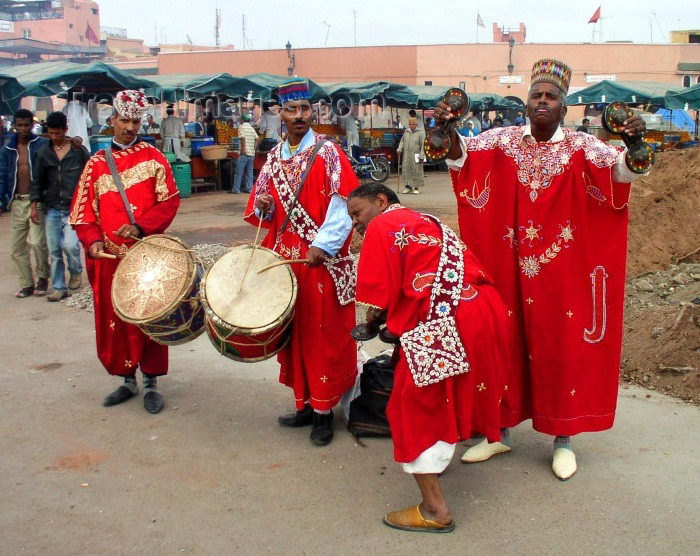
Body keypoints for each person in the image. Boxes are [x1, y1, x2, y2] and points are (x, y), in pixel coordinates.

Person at [435, 58, 649, 480]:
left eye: (552, 97)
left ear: (563, 106)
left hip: (563, 274)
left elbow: (622, 172)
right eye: (537, 95)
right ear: (526, 102)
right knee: (505, 341)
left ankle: (562, 438)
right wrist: (444, 132)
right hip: (507, 267)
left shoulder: (584, 147)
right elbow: (461, 160)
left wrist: (636, 146)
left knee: (560, 347)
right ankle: (500, 433)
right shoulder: (501, 141)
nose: (543, 102)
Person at [348, 183, 513, 533]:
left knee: (412, 407)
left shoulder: (382, 225)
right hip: (485, 311)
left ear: (381, 201)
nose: (355, 224)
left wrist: (375, 323)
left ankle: (435, 510)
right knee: (448, 393)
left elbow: (376, 296)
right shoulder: (428, 220)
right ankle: (439, 458)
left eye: (357, 214)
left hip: (445, 323)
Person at [244, 78, 358, 446]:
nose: (299, 116)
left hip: (320, 261)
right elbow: (262, 202)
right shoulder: (274, 158)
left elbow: (345, 207)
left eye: (305, 109)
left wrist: (323, 246)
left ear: (313, 112)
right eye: (291, 110)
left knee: (322, 335)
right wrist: (265, 205)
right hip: (286, 261)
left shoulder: (328, 153)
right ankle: (305, 404)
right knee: (293, 335)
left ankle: (325, 413)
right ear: (280, 113)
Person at [69, 89, 180, 414]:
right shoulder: (95, 165)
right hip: (110, 261)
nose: (130, 127)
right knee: (115, 319)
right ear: (112, 120)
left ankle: (151, 383)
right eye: (124, 120)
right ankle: (127, 380)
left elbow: (169, 201)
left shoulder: (154, 158)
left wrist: (141, 227)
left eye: (135, 121)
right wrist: (93, 241)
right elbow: (82, 214)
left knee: (151, 316)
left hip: (146, 257)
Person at [30, 111, 90, 302]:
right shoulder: (42, 153)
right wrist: (34, 206)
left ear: (66, 130)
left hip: (74, 207)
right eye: (51, 133)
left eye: (58, 133)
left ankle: (75, 270)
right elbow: (37, 182)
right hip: (52, 208)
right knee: (54, 250)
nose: (55, 137)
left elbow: (90, 176)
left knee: (71, 245)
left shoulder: (78, 151)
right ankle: (58, 287)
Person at [0, 109, 51, 298]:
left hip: (36, 200)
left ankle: (43, 277)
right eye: (19, 125)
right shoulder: (7, 150)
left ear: (32, 125)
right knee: (17, 248)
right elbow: (3, 175)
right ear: (14, 126)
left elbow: (62, 141)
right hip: (17, 201)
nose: (23, 129)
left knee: (37, 243)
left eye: (26, 125)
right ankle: (26, 283)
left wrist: (76, 140)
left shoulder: (42, 144)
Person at [396, 117, 425, 194]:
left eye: (413, 124)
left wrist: (422, 155)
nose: (412, 126)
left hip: (416, 155)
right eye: (410, 124)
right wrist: (399, 149)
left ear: (416, 125)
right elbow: (402, 141)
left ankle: (416, 187)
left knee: (416, 171)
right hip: (406, 155)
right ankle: (408, 187)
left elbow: (423, 145)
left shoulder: (420, 133)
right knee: (406, 171)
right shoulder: (406, 132)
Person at [231, 112, 258, 194]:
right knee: (249, 173)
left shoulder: (241, 127)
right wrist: (254, 149)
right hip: (251, 154)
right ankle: (249, 188)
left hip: (244, 154)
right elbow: (257, 139)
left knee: (239, 172)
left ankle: (236, 189)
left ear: (242, 120)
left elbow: (242, 138)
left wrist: (243, 150)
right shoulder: (251, 128)